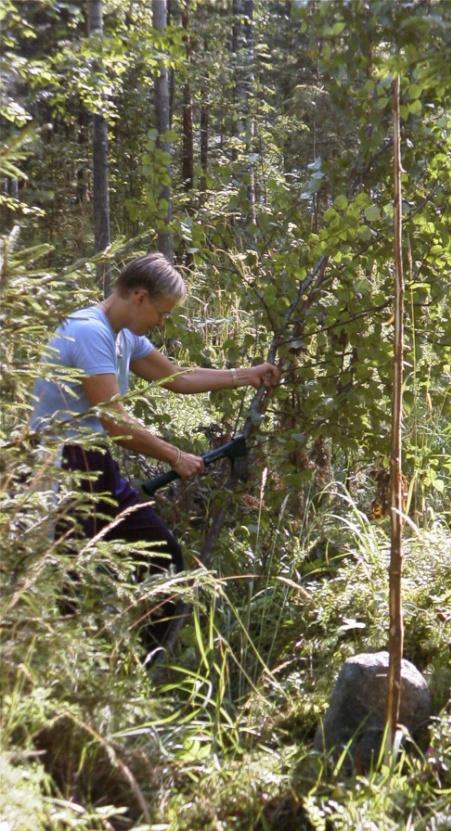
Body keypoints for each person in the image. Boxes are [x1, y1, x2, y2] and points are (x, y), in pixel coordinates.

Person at [30, 252, 280, 645]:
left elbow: (177, 377)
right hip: (64, 468)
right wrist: (174, 456)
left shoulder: (123, 335)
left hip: (93, 464)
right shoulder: (88, 331)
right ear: (140, 297)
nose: (162, 322)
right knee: (75, 581)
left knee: (153, 556)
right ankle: (88, 677)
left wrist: (245, 375)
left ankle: (132, 667)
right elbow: (115, 422)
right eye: (162, 313)